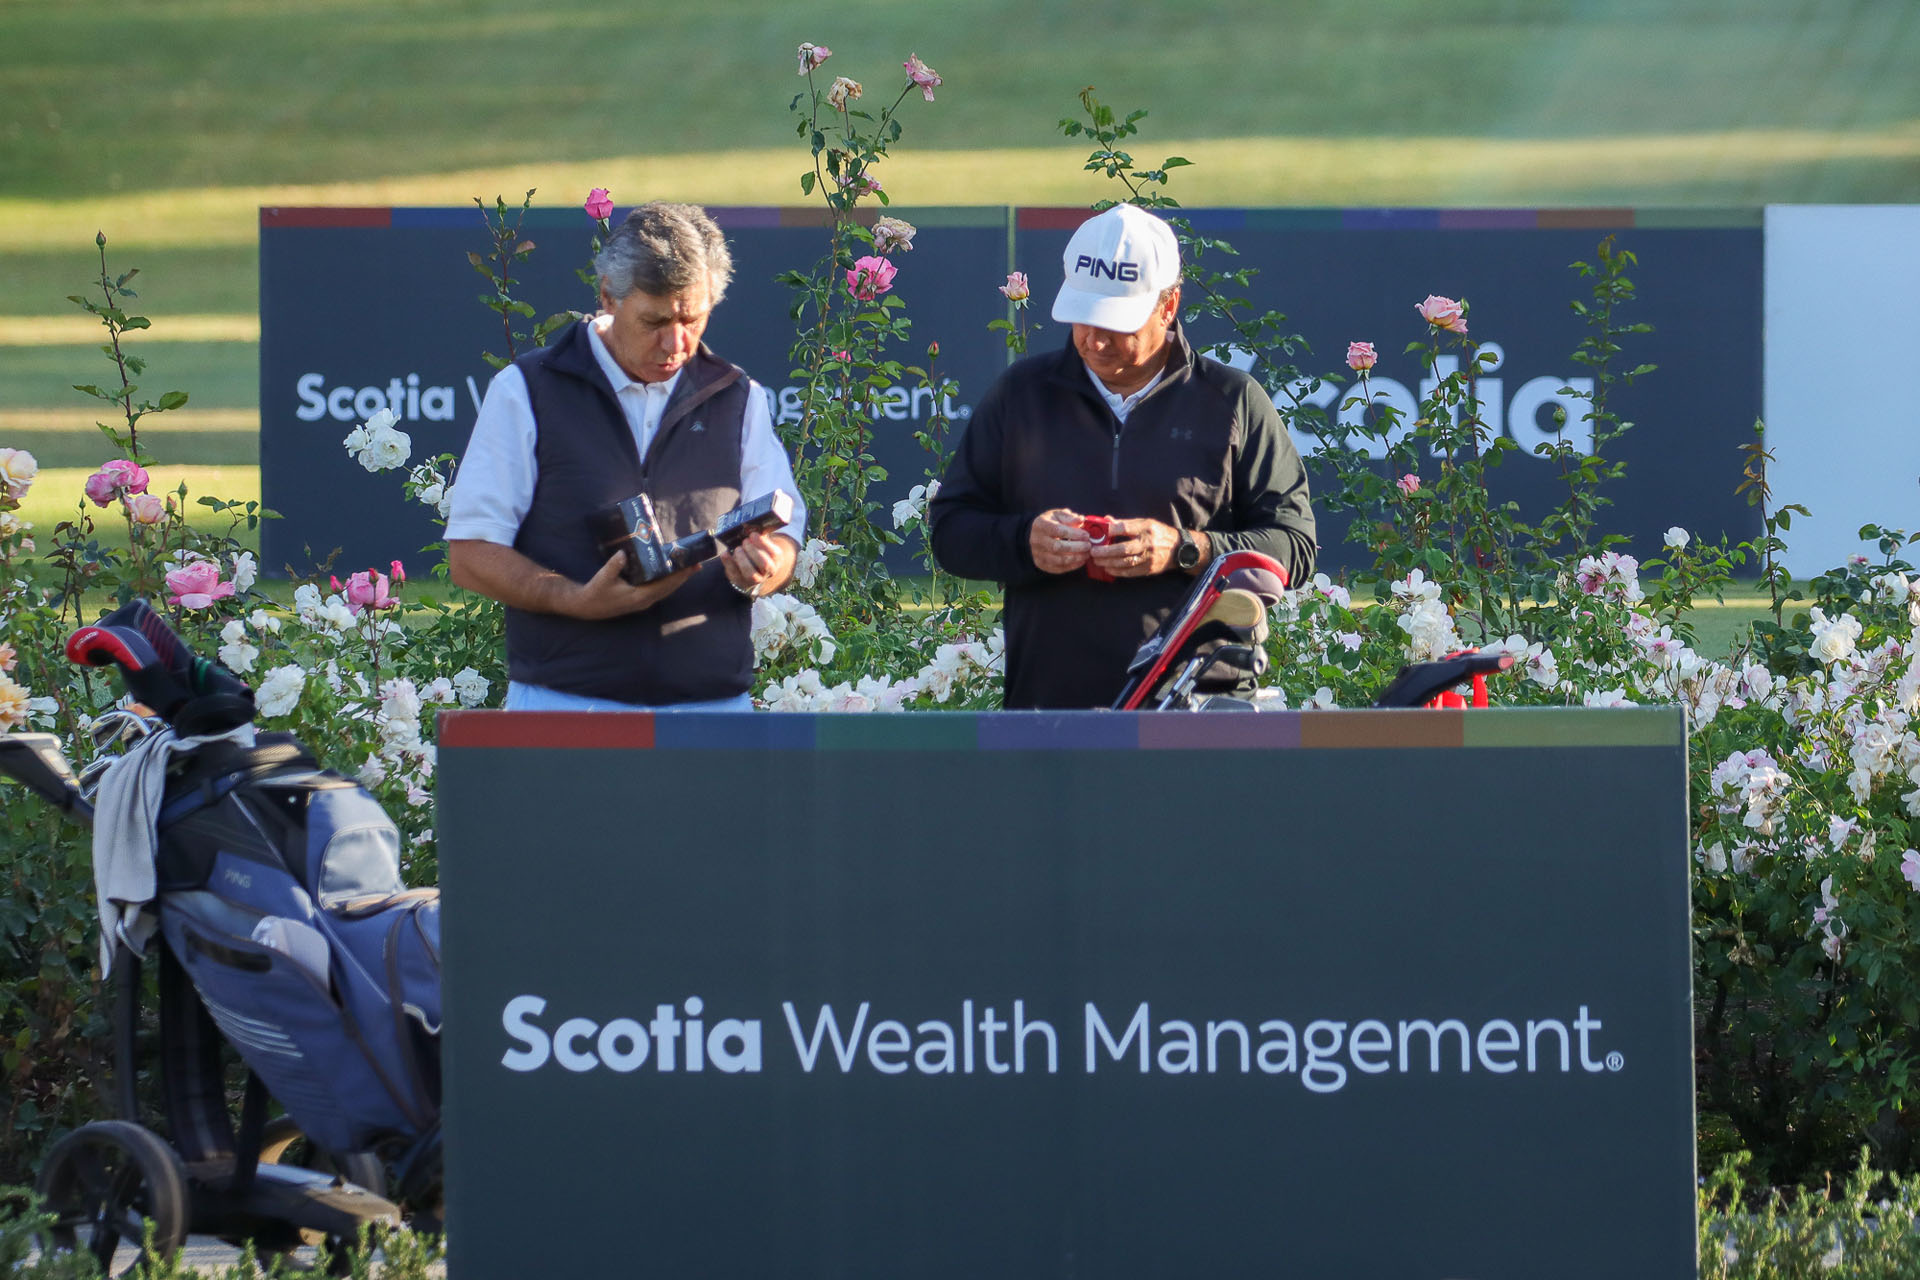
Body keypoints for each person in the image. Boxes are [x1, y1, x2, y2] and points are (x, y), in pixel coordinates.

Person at [929, 203, 1316, 710]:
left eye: (1116, 322)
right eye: (1083, 317)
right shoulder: (1021, 395)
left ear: (1168, 306)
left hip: (1199, 712)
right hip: (1050, 713)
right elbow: (951, 530)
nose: (1094, 339)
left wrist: (1184, 549)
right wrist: (1026, 542)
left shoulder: (1233, 400)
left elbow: (1294, 547)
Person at [445, 201, 806, 711]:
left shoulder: (737, 395)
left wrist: (765, 568)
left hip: (712, 709)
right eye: (654, 320)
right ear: (607, 298)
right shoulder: (526, 390)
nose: (676, 342)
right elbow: (471, 554)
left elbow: (785, 535)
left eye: (693, 318)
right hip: (563, 705)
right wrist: (573, 600)